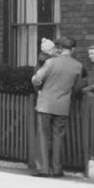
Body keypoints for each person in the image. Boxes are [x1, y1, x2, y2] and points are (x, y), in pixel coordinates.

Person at [31, 35, 84, 177]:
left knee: (43, 136)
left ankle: (43, 169)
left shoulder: (50, 62)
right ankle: (57, 169)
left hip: (45, 104)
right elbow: (77, 87)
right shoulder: (78, 66)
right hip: (63, 106)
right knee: (58, 137)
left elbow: (37, 80)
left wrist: (38, 84)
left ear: (60, 48)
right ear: (73, 49)